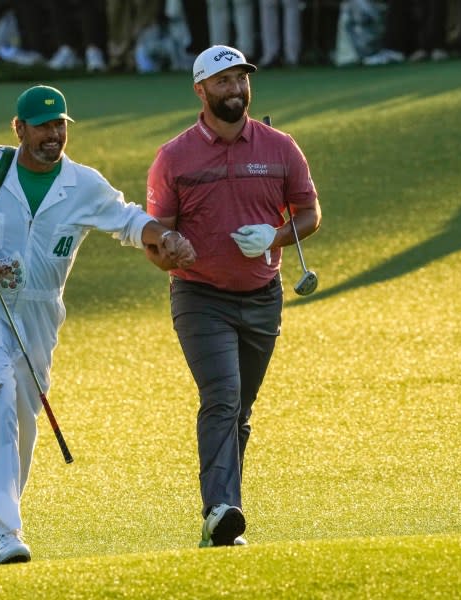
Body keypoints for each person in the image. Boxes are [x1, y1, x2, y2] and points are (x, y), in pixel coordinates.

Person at [0, 85, 196, 565]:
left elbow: (128, 220)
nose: (54, 135)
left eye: (60, 125)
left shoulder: (82, 183)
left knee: (25, 417)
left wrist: (166, 235)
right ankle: (5, 531)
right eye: (44, 126)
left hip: (40, 313)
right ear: (19, 128)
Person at [145, 45, 322, 547]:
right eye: (223, 82)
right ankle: (221, 510)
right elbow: (157, 236)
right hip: (200, 296)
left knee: (240, 409)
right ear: (201, 91)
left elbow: (309, 214)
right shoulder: (174, 157)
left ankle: (222, 514)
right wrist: (168, 253)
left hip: (263, 295)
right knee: (222, 397)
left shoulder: (280, 147)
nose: (236, 90)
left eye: (241, 80)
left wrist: (275, 237)